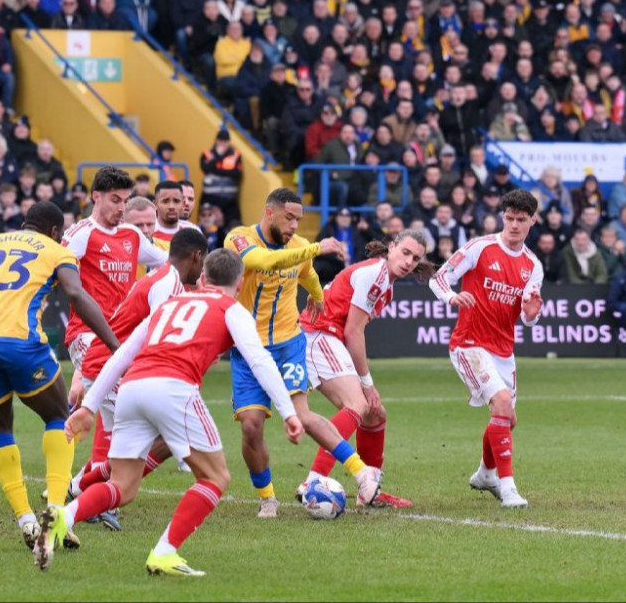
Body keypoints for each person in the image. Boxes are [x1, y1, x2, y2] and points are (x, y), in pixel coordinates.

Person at [62, 248, 305, 577]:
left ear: (203, 277)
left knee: (123, 485)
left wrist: (89, 406)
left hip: (132, 387)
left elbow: (121, 355)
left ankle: (63, 516)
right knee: (216, 477)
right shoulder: (232, 309)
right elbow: (259, 360)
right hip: (173, 389)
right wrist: (288, 411)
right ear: (240, 282)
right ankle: (164, 552)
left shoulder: (169, 304)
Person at [0, 200, 120, 565]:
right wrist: (116, 346)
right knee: (60, 417)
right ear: (55, 231)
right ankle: (55, 512)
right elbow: (76, 294)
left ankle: (25, 519)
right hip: (22, 344)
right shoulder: (56, 250)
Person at [223, 188, 372, 519]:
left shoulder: (299, 246)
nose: (294, 226)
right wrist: (317, 247)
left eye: (298, 220)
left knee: (302, 415)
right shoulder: (239, 238)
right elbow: (259, 261)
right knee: (251, 425)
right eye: (289, 218)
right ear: (270, 213)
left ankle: (362, 473)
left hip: (289, 344)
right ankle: (267, 498)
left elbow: (308, 274)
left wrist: (317, 296)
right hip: (248, 348)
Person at [64, 228, 209, 528]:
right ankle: (91, 495)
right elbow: (156, 334)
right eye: (203, 261)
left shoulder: (166, 279)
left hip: (109, 365)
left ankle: (81, 490)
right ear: (197, 256)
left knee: (147, 442)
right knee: (157, 437)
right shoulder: (167, 283)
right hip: (111, 366)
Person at [298, 230, 432, 508]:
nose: (409, 261)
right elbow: (353, 332)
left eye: (415, 258)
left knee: (374, 413)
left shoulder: (386, 285)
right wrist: (367, 384)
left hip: (329, 336)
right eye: (405, 252)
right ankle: (313, 481)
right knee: (358, 403)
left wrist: (366, 385)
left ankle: (370, 491)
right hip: (318, 333)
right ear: (391, 247)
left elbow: (352, 330)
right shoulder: (376, 275)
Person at [429, 190, 543, 508]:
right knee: (502, 403)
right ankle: (508, 489)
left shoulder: (533, 265)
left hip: (503, 349)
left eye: (521, 219)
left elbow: (527, 315)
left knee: (508, 418)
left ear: (533, 220)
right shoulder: (479, 248)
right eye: (510, 218)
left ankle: (485, 474)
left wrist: (531, 315)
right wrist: (451, 297)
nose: (514, 225)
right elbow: (438, 278)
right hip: (469, 344)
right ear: (502, 217)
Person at [62, 167, 168, 400]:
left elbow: (168, 263)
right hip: (87, 334)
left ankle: (78, 409)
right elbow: (56, 272)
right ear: (96, 197)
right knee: (129, 398)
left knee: (133, 405)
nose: (122, 208)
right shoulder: (81, 233)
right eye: (115, 200)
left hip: (123, 335)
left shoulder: (131, 234)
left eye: (125, 201)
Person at [151, 180, 200, 249]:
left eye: (176, 201)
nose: (171, 206)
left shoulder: (194, 232)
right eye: (165, 201)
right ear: (155, 204)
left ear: (182, 203)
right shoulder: (147, 231)